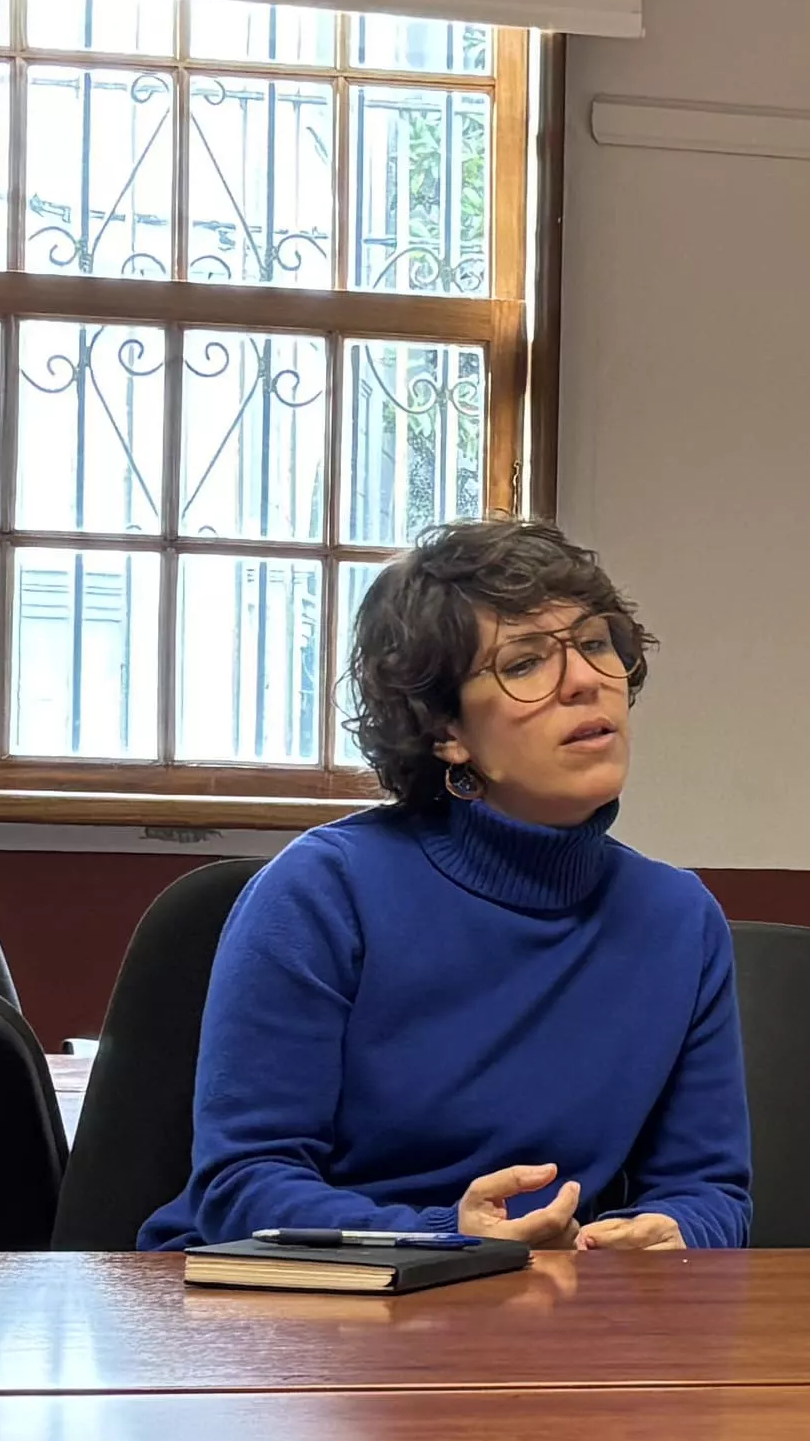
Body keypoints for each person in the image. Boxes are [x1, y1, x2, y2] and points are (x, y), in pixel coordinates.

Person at [145, 519, 751, 1254]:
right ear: (445, 733)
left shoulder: (679, 920)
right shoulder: (324, 891)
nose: (587, 680)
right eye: (526, 664)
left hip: (539, 1308)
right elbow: (241, 1185)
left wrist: (671, 1234)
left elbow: (711, 1189)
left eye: (595, 644)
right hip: (296, 1311)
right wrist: (450, 1242)